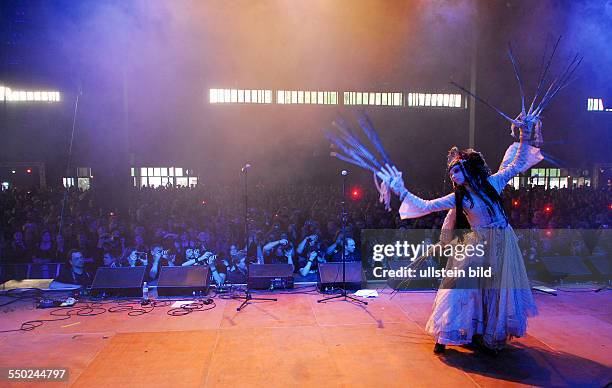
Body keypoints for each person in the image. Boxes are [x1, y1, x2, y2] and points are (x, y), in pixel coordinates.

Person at [377, 117, 542, 354]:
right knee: (460, 285)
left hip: (503, 242)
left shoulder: (493, 183)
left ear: (468, 169)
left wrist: (525, 135)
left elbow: (516, 165)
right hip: (478, 244)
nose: (453, 176)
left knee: (495, 291)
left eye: (456, 170)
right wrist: (401, 190)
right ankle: (444, 333)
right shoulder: (459, 198)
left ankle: (483, 333)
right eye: (451, 172)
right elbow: (425, 206)